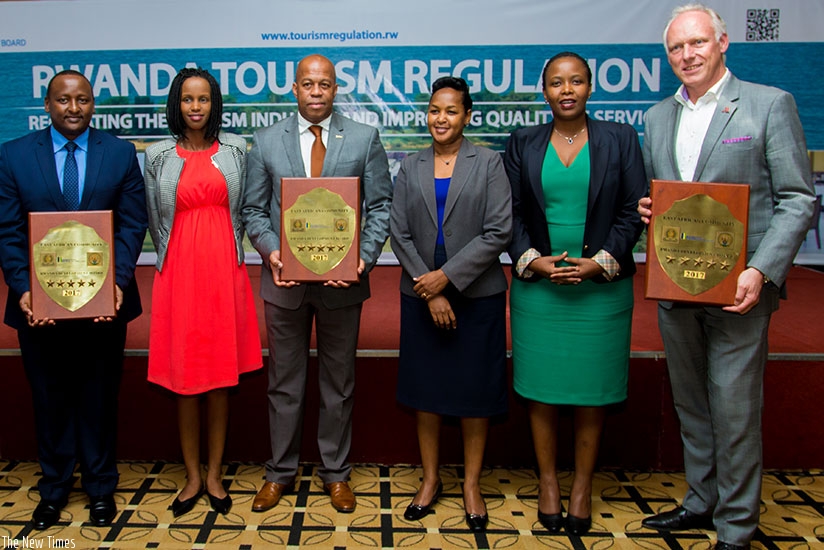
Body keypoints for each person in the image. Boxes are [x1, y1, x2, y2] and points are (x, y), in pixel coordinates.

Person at [637, 5, 816, 549]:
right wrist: (652, 210)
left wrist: (762, 269)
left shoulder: (767, 105)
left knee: (735, 410)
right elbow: (669, 195)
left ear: (722, 43)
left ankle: (736, 527)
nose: (686, 56)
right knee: (691, 403)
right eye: (675, 48)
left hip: (741, 290)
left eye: (696, 43)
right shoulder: (656, 117)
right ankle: (701, 500)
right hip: (678, 286)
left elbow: (797, 198)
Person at [242, 54, 392, 514]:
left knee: (338, 382)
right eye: (307, 83)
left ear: (335, 88)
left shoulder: (364, 139)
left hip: (343, 286)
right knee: (284, 382)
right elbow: (252, 210)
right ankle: (280, 472)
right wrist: (271, 252)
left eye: (324, 84)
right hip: (284, 282)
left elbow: (381, 206)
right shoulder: (266, 142)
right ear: (294, 88)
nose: (316, 91)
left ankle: (336, 474)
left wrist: (363, 260)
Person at [505, 52, 646, 536]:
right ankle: (548, 483)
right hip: (539, 291)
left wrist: (599, 263)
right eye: (557, 83)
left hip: (600, 291)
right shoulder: (522, 141)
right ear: (544, 91)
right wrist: (534, 262)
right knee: (541, 392)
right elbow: (512, 214)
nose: (567, 90)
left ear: (590, 88)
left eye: (577, 81)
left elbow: (634, 210)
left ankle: (582, 486)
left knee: (592, 392)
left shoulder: (620, 139)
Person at [0, 70, 147, 529]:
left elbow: (131, 223)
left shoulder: (120, 153)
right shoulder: (13, 156)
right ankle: (55, 488)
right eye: (63, 100)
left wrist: (118, 281)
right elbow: (8, 231)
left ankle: (101, 488)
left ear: (93, 104)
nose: (73, 108)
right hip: (38, 307)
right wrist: (24, 289)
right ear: (47, 105)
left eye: (82, 99)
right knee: (50, 396)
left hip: (106, 303)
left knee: (100, 395)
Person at [390, 77, 511, 532]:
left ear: (467, 116)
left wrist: (448, 278)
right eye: (435, 110)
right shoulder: (411, 164)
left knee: (475, 395)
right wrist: (431, 288)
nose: (441, 119)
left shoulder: (489, 163)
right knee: (427, 394)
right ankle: (430, 480)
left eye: (451, 111)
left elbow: (498, 231)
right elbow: (398, 232)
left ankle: (472, 484)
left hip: (476, 297)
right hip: (421, 297)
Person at [143, 68, 262, 517]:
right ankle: (192, 475)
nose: (196, 107)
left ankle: (215, 473)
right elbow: (157, 219)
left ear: (215, 104)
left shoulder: (235, 149)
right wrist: (169, 261)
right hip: (179, 273)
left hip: (222, 271)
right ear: (177, 104)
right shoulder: (156, 155)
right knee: (185, 380)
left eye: (204, 99)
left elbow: (247, 207)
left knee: (218, 379)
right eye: (188, 99)